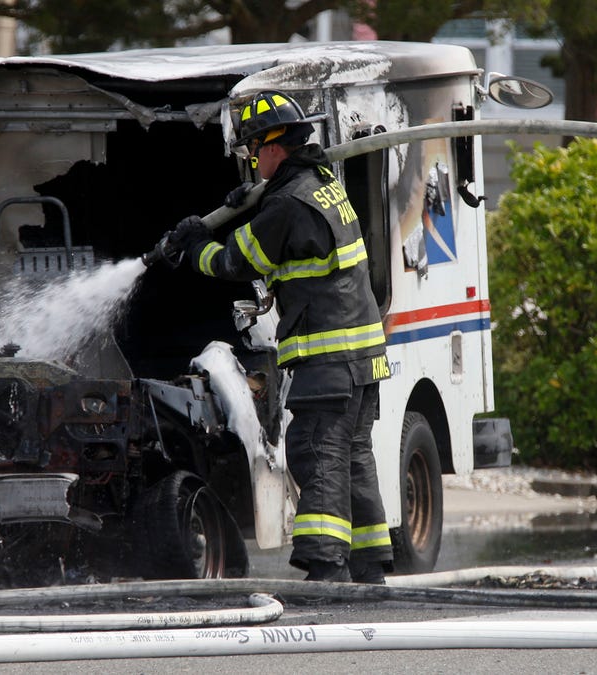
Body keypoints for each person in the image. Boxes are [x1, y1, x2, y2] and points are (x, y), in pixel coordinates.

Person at [167, 90, 394, 584]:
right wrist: (255, 201)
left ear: (276, 145)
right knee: (354, 456)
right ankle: (372, 565)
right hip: (362, 355)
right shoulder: (322, 183)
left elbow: (233, 262)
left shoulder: (287, 204)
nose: (251, 157)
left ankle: (326, 568)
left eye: (253, 147)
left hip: (328, 357)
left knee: (318, 454)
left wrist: (193, 245)